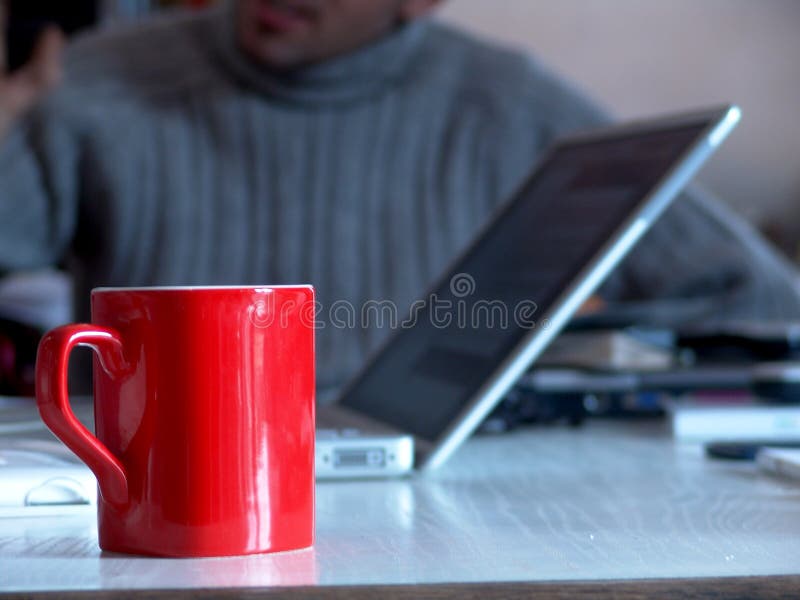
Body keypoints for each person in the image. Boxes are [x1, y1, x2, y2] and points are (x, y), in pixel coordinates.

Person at [1, 0, 799, 400]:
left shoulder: (506, 101)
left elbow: (754, 293)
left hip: (421, 482)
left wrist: (557, 367)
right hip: (155, 468)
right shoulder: (101, 75)